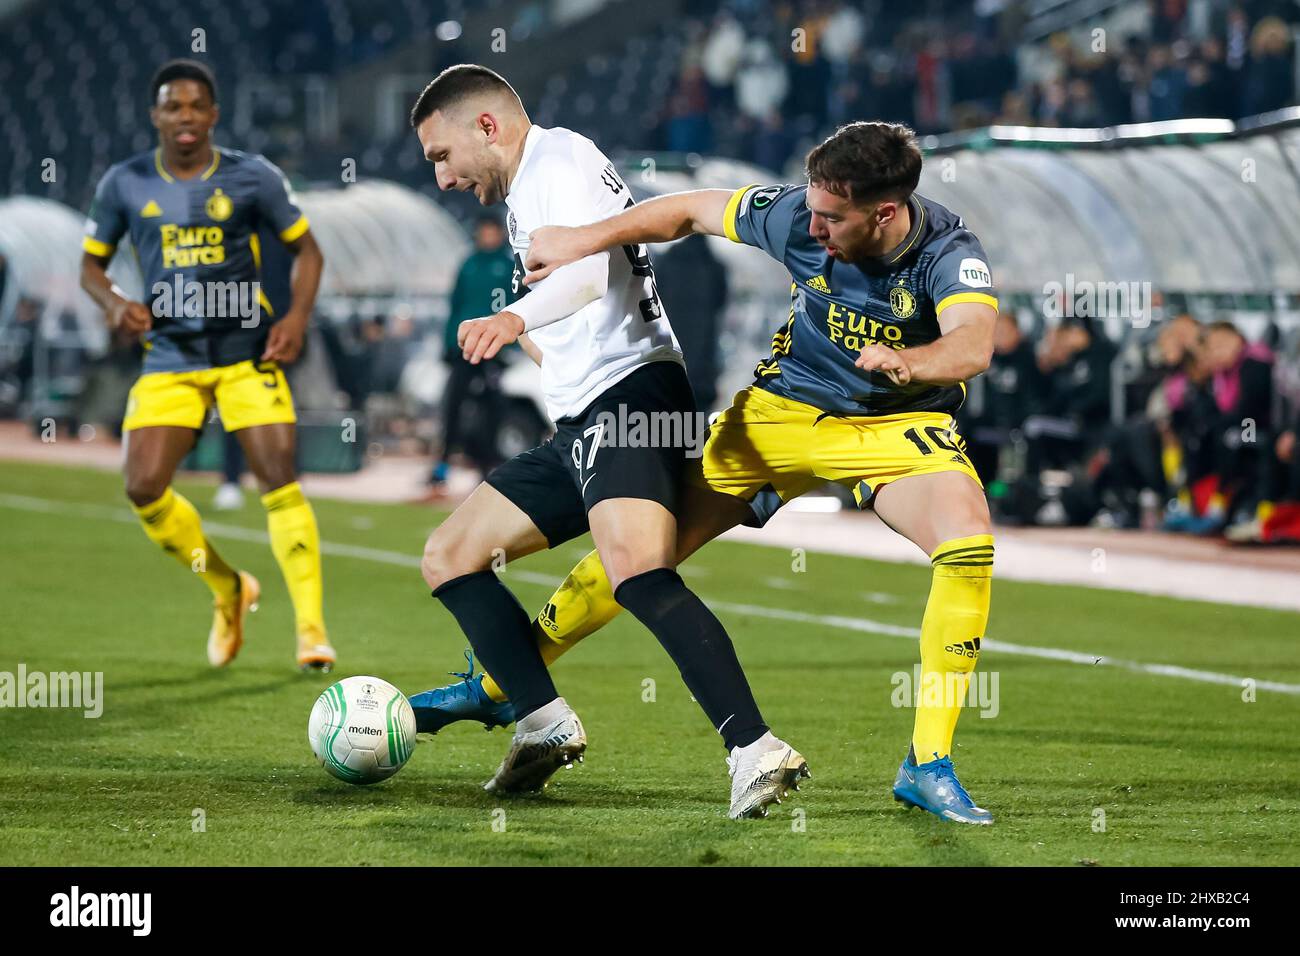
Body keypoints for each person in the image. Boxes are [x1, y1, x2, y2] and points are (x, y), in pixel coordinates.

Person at [417, 120, 1002, 825]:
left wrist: (914, 362)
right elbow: (689, 210)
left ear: (884, 212)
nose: (811, 225)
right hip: (776, 417)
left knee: (968, 542)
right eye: (811, 208)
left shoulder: (947, 251)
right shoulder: (796, 212)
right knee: (636, 558)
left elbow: (972, 343)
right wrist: (581, 240)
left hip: (893, 429)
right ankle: (500, 683)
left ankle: (927, 763)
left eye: (831, 217)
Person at [407, 64, 807, 818]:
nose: (443, 178)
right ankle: (542, 722)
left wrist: (515, 319)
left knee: (637, 571)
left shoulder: (560, 162)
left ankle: (756, 747)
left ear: (485, 127)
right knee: (450, 556)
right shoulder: (530, 188)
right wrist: (531, 340)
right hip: (586, 414)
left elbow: (589, 276)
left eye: (441, 156)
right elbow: (588, 296)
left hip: (632, 397)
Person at [79, 59, 335, 672]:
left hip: (247, 353)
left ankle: (311, 631)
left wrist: (295, 319)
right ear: (156, 115)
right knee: (143, 487)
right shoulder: (125, 183)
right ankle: (227, 587)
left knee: (280, 478)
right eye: (173, 106)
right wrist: (115, 303)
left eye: (197, 106)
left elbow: (309, 251)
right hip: (169, 355)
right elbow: (90, 266)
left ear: (213, 115)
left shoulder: (253, 178)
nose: (185, 117)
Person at [425, 215, 515, 496]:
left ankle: (487, 469)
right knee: (453, 408)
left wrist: (507, 347)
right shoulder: (469, 264)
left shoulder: (508, 266)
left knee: (492, 410)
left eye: (492, 231)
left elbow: (517, 307)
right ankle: (441, 468)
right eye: (483, 231)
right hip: (463, 350)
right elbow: (455, 305)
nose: (487, 236)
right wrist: (448, 344)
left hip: (493, 350)